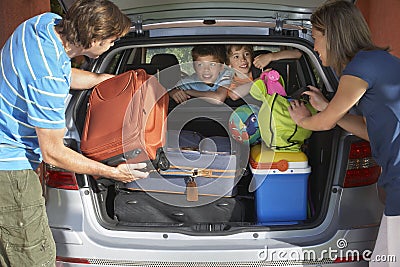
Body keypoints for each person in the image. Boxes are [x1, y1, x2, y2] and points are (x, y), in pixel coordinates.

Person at [0, 0, 148, 266]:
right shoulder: (47, 79)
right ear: (94, 38)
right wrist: (114, 173)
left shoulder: (40, 25)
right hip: (11, 169)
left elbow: (60, 71)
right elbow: (54, 153)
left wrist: (98, 81)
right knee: (33, 256)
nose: (112, 46)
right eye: (111, 41)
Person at [287, 0, 400, 265]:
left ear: (334, 35)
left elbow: (325, 123)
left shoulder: (359, 68)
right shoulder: (379, 61)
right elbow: (372, 132)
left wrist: (304, 120)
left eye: (315, 38)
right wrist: (328, 108)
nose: (314, 47)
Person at [225, 44, 302, 100]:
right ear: (229, 64)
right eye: (236, 57)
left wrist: (271, 56)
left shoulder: (261, 68)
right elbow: (234, 95)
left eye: (246, 54)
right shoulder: (228, 81)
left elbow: (298, 54)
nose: (243, 59)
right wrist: (260, 78)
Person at [168, 45, 233, 104]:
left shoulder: (225, 75)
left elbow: (219, 99)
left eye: (212, 64)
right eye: (200, 65)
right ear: (194, 67)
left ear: (221, 67)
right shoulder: (188, 82)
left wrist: (189, 92)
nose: (206, 69)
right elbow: (169, 92)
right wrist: (172, 92)